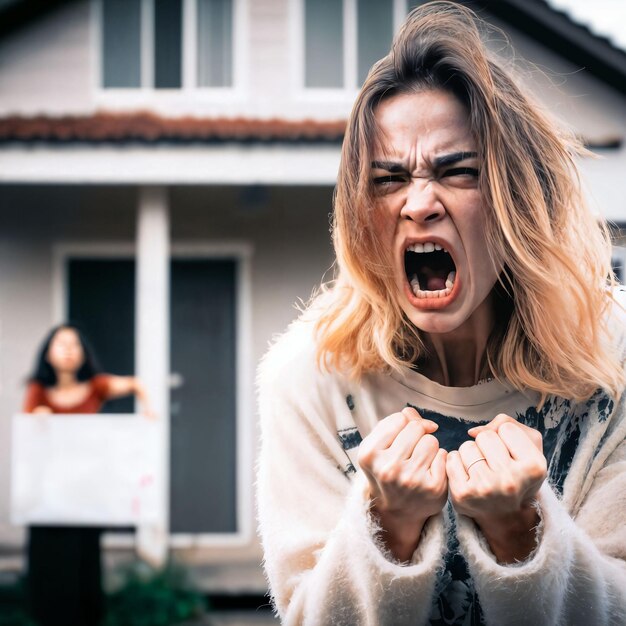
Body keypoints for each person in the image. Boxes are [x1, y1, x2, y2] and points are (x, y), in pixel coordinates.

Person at [256, 3, 626, 625]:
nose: (419, 202)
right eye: (388, 178)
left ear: (518, 198)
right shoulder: (311, 379)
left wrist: (522, 536)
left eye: (457, 172)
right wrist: (386, 526)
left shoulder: (612, 362)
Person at [22, 323, 153, 626]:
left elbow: (136, 385)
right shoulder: (37, 391)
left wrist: (148, 414)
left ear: (83, 353)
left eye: (74, 344)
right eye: (61, 344)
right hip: (48, 495)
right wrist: (39, 419)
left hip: (86, 492)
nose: (68, 350)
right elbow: (28, 435)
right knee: (50, 567)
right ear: (48, 353)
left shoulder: (95, 386)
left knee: (84, 566)